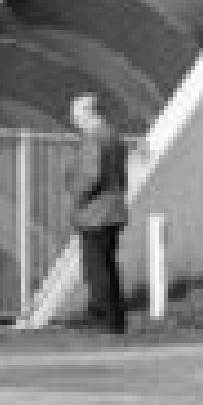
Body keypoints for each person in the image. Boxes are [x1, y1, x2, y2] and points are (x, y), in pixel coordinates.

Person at [65, 91, 136, 335]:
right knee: (108, 266)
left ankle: (104, 320)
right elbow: (121, 177)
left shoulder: (94, 138)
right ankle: (115, 320)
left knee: (97, 269)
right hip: (113, 210)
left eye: (75, 116)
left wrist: (75, 194)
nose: (74, 121)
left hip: (95, 212)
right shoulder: (114, 137)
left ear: (87, 114)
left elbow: (90, 176)